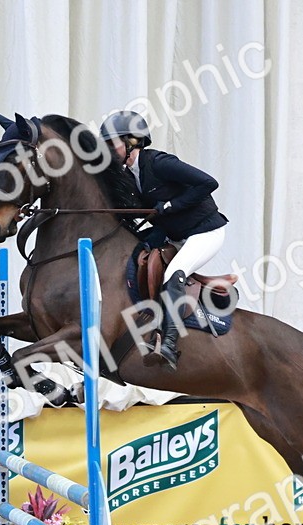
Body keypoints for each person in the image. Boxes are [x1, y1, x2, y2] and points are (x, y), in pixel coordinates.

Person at [100, 111, 228, 370]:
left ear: (132, 141)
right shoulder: (130, 175)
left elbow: (208, 183)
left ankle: (168, 343)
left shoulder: (159, 163)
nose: (108, 151)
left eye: (112, 144)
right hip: (174, 234)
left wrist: (170, 205)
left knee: (173, 274)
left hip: (205, 232)